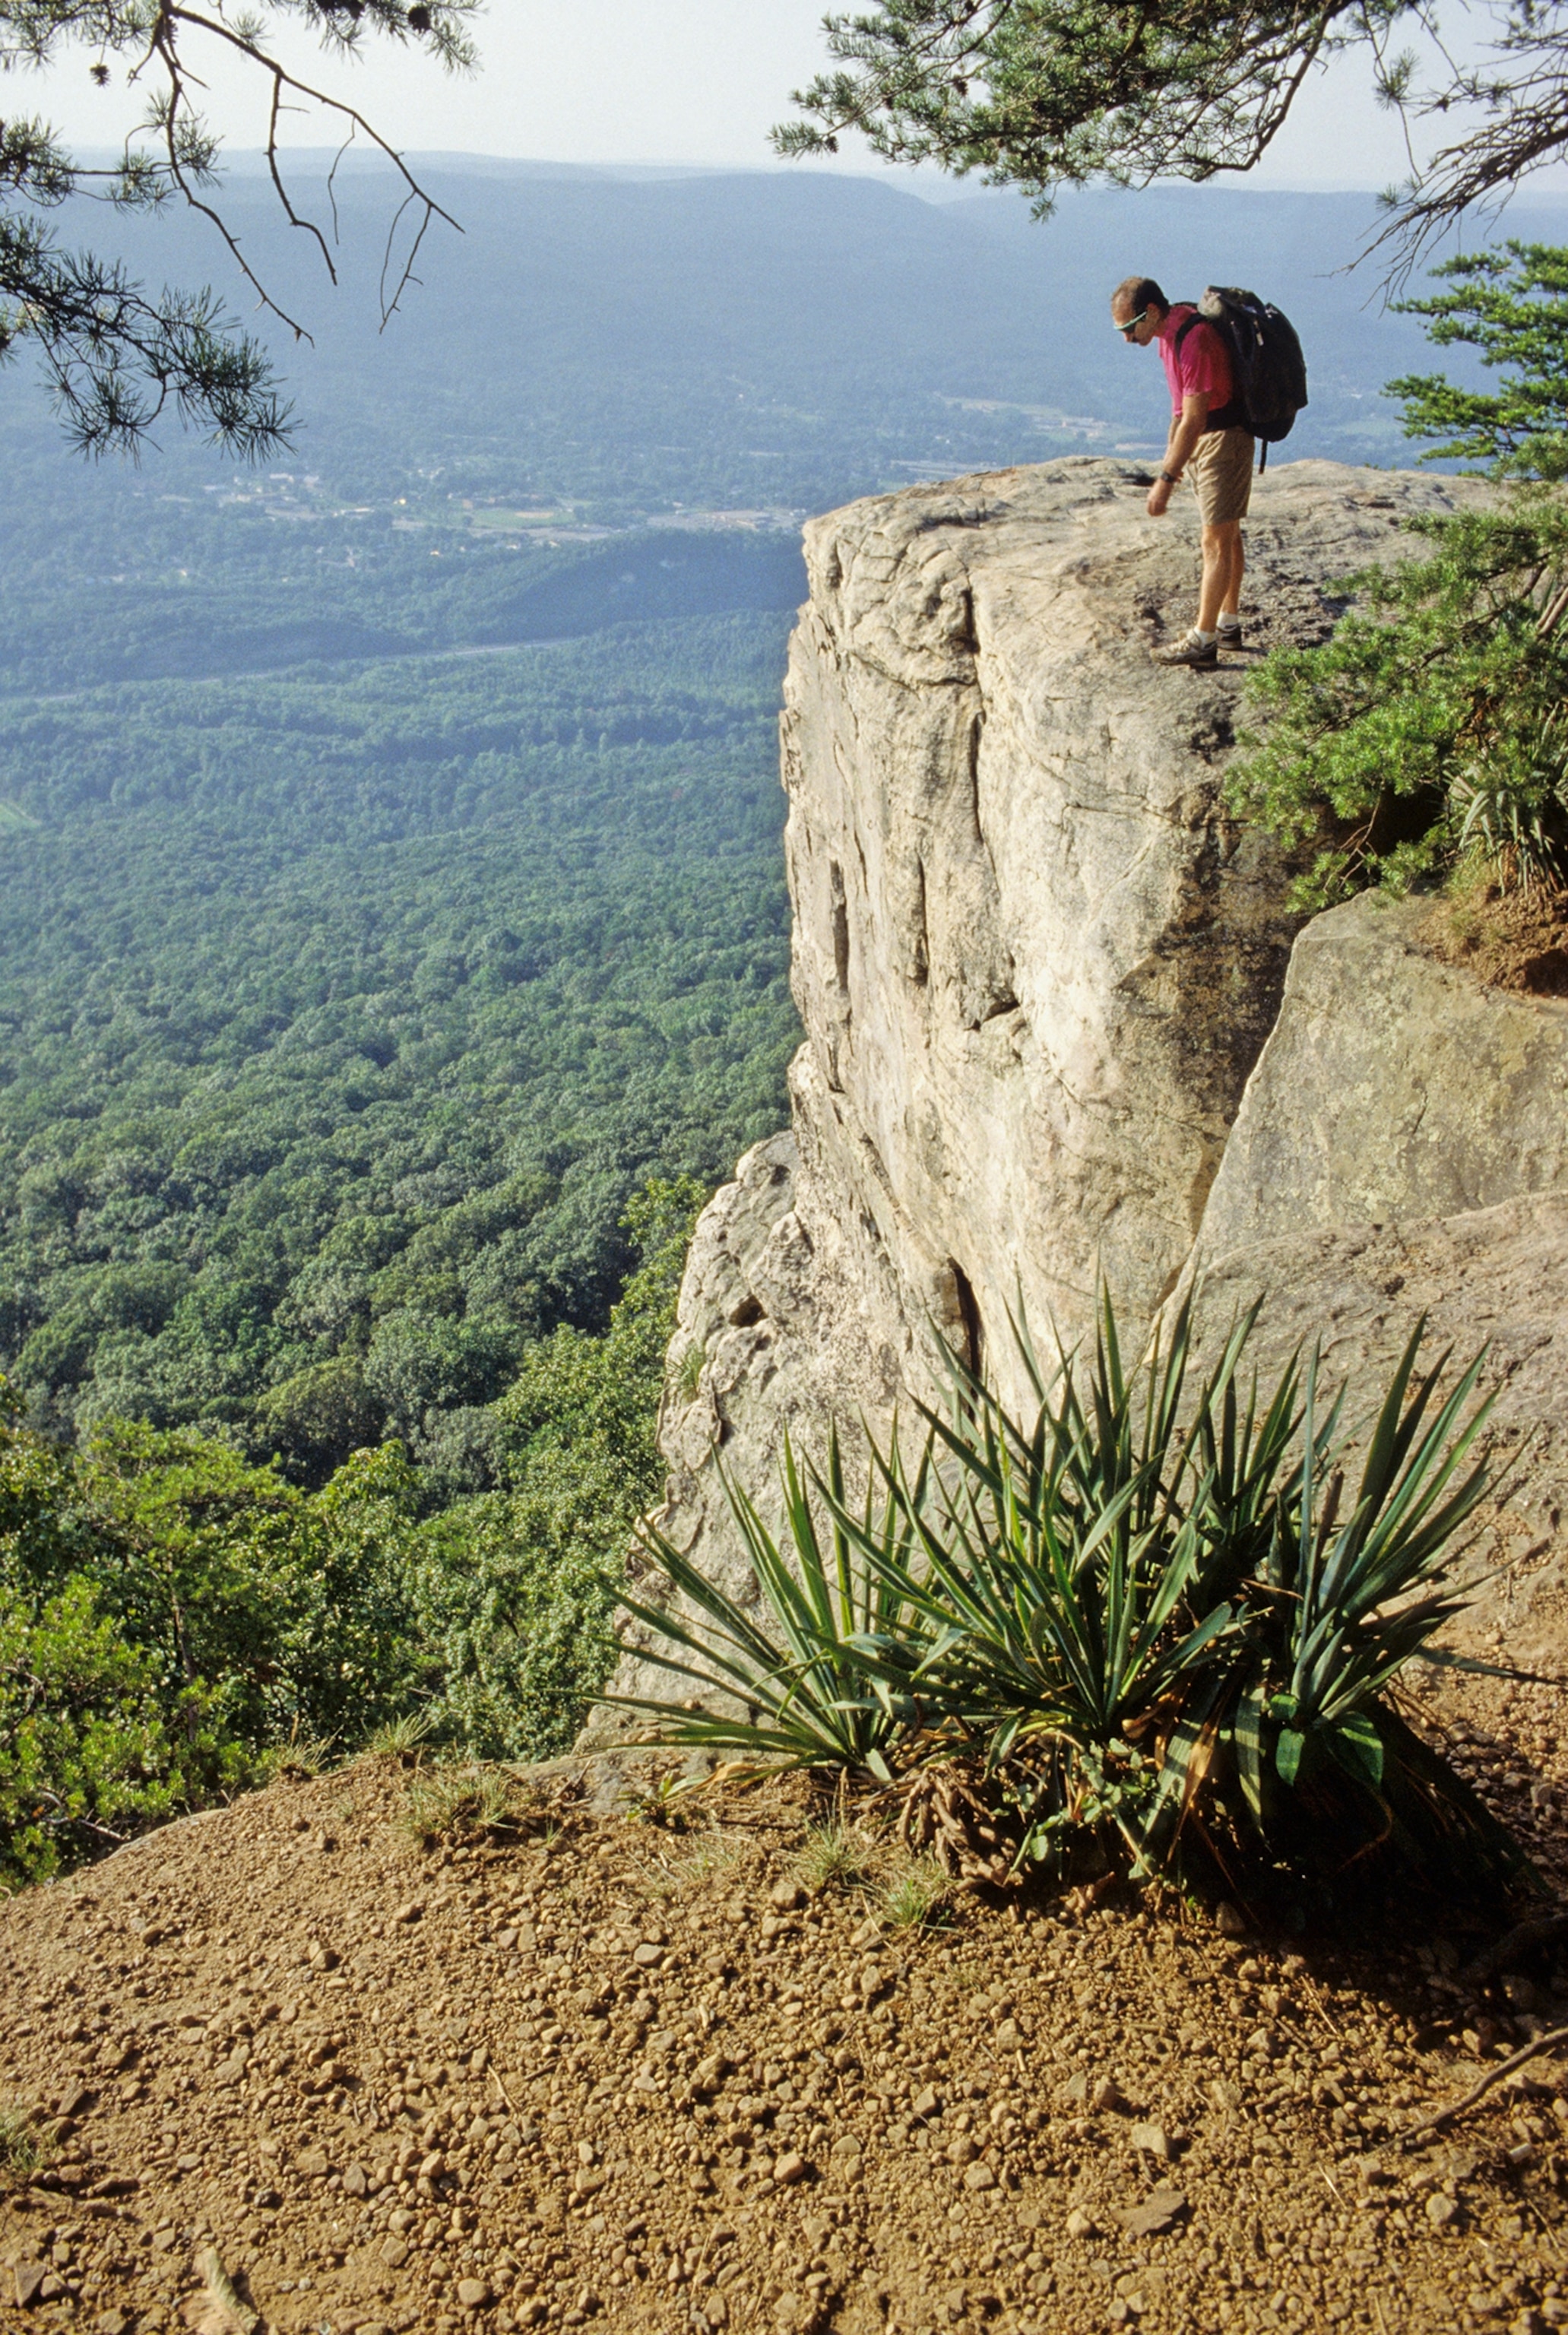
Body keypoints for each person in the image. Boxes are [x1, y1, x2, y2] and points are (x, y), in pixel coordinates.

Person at [1110, 275, 1254, 670]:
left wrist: (1165, 481)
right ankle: (1228, 622)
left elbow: (1193, 419)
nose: (1126, 338)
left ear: (1151, 312)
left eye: (1129, 327)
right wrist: (1171, 459)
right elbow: (1178, 411)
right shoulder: (1168, 339)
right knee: (1228, 531)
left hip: (1224, 440)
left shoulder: (1195, 339)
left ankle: (1204, 639)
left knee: (1216, 541)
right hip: (1210, 441)